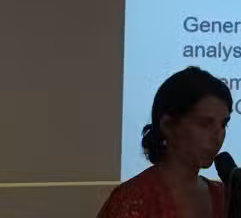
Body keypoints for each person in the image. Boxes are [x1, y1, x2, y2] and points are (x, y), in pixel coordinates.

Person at [98, 66, 233, 218]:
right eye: (205, 124)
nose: (218, 136)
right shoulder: (132, 198)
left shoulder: (224, 196)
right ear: (168, 125)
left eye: (223, 124)